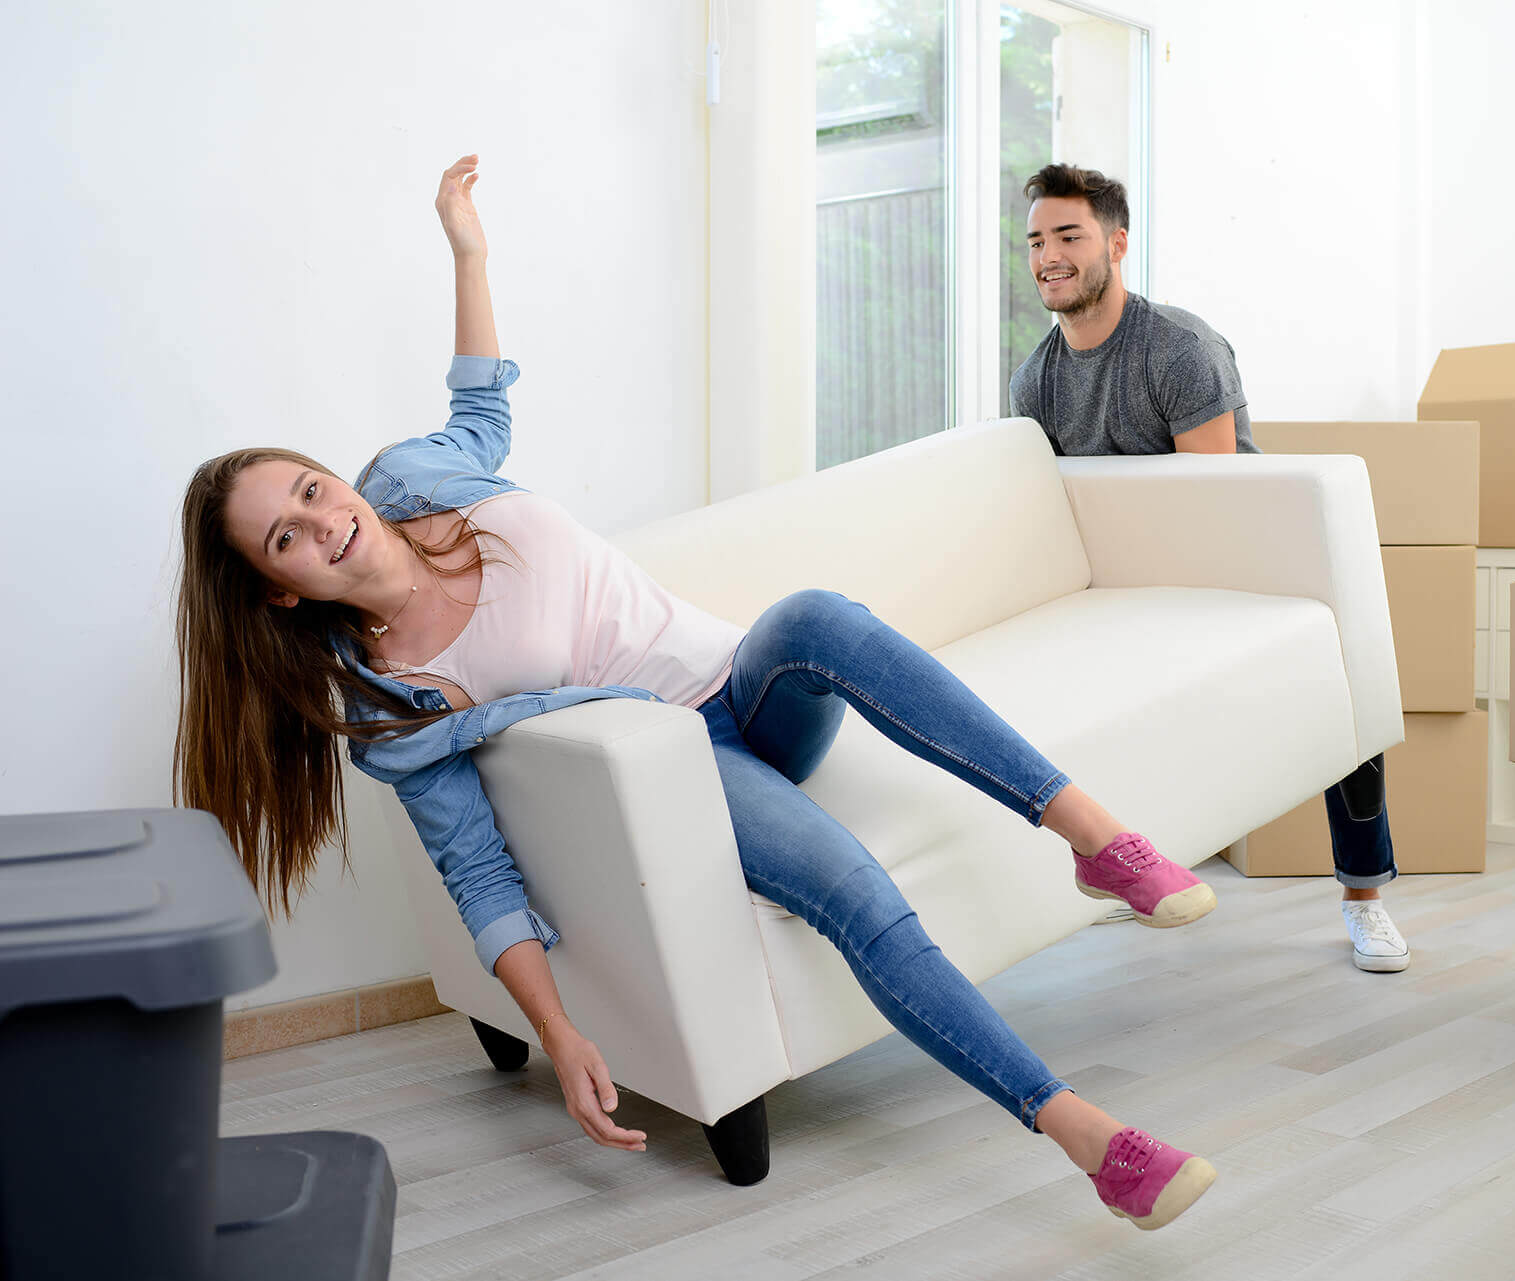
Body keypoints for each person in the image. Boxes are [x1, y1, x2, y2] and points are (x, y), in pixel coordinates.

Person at [173, 156, 1218, 1229]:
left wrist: (469, 249)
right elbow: (478, 873)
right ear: (278, 589)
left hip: (746, 687)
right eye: (285, 537)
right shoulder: (393, 702)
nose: (322, 521)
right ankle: (1089, 1138)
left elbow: (479, 397)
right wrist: (560, 1029)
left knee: (814, 615)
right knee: (858, 900)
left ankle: (1094, 835)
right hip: (690, 767)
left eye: (310, 489)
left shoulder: (419, 476)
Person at [1010, 162, 1412, 975]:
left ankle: (1365, 898)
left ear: (1117, 244)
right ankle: (1134, 873)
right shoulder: (1035, 381)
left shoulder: (1178, 349)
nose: (1049, 255)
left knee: (1351, 710)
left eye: (1069, 236)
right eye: (1036, 241)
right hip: (1127, 580)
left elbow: (1213, 507)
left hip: (1258, 564)